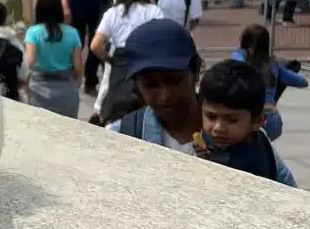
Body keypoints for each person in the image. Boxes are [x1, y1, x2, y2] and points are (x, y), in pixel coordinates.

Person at [107, 20, 297, 187]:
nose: (164, 96)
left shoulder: (250, 137)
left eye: (174, 80)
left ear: (196, 72)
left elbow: (291, 197)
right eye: (150, 85)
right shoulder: (122, 136)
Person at [196, 60, 294, 185]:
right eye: (211, 116)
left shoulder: (248, 168)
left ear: (257, 121)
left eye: (232, 120)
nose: (218, 128)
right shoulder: (246, 137)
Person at [91, 0, 164, 124]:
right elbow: (161, 39)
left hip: (120, 63)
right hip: (145, 63)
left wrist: (109, 59)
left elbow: (95, 45)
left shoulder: (113, 12)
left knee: (115, 109)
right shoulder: (154, 11)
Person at [231, 23, 308, 141]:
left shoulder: (238, 57)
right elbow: (302, 82)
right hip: (272, 119)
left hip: (250, 118)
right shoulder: (273, 65)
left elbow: (236, 65)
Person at [24, 0, 83, 118]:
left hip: (39, 90)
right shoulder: (73, 33)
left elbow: (30, 62)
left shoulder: (33, 33)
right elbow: (78, 67)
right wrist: (76, 84)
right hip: (67, 90)